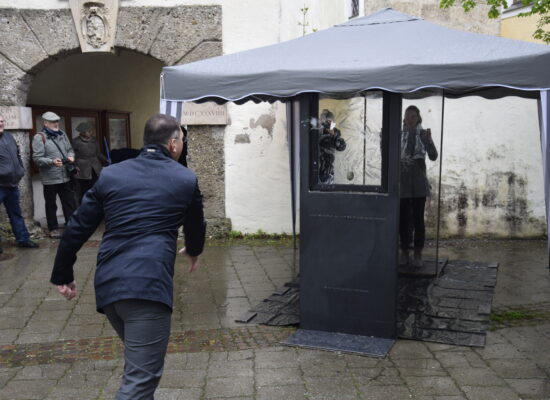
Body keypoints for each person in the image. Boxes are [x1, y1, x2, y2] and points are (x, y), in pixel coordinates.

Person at [50, 113, 206, 400]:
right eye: (182, 140)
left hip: (110, 285)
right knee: (139, 382)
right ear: (173, 144)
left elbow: (77, 227)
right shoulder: (185, 178)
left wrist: (63, 274)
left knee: (139, 368)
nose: (181, 145)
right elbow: (196, 224)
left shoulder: (112, 174)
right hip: (147, 289)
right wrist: (194, 250)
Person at [399, 105, 438, 267]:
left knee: (417, 219)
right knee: (403, 218)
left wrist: (428, 142)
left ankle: (418, 252)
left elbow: (434, 156)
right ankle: (405, 251)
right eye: (407, 116)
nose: (409, 119)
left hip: (418, 181)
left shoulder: (423, 134)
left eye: (413, 116)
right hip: (402, 181)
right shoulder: (399, 134)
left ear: (418, 118)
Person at [32, 111, 77, 239]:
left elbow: (70, 149)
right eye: (53, 122)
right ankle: (53, 228)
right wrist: (51, 161)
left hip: (65, 175)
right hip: (50, 178)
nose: (56, 124)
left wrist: (71, 157)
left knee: (69, 202)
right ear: (45, 123)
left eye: (57, 121)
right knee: (51, 204)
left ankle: (71, 226)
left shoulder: (62, 134)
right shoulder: (39, 137)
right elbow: (37, 158)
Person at [0, 114, 39, 252]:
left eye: (2, 121)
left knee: (16, 213)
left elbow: (17, 155)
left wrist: (20, 169)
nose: (1, 124)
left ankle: (23, 239)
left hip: (12, 185)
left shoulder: (8, 137)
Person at [72, 122, 106, 202]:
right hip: (82, 169)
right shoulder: (75, 142)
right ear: (83, 132)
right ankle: (83, 208)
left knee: (96, 189)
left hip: (96, 168)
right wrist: (74, 165)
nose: (91, 133)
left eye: (91, 131)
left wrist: (106, 159)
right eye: (89, 131)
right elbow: (71, 155)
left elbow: (98, 153)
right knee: (84, 191)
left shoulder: (94, 140)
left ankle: (96, 207)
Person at [318, 109, 346, 184]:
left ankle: (327, 181)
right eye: (327, 122)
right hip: (316, 157)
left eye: (331, 121)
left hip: (328, 159)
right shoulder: (317, 131)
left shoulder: (335, 132)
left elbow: (341, 147)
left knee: (327, 171)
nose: (329, 124)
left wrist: (338, 140)